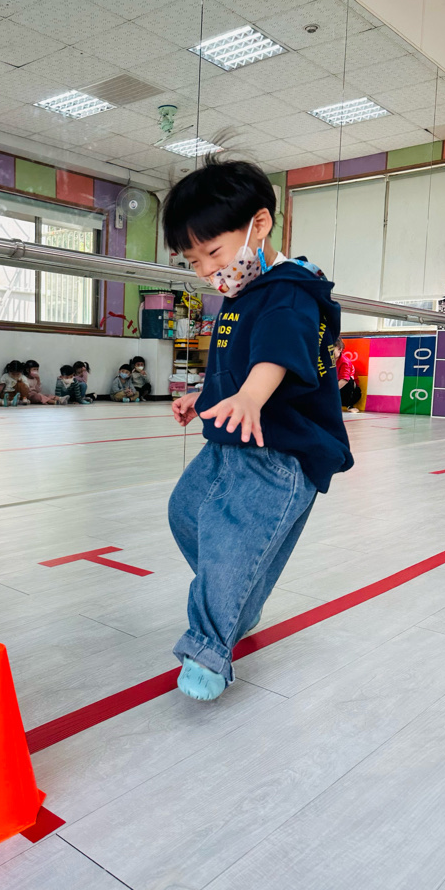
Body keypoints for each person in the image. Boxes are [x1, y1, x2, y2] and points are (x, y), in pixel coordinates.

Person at [163, 155, 353, 702]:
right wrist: (206, 398)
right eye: (193, 261)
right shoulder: (242, 295)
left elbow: (275, 355)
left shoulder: (289, 291)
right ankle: (237, 599)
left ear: (260, 224)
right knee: (186, 512)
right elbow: (237, 366)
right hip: (232, 441)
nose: (207, 270)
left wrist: (250, 397)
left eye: (214, 253)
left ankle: (207, 650)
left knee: (229, 547)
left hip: (279, 453)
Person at [334, 338, 360, 411]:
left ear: (340, 349)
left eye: (332, 351)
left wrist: (330, 391)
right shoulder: (327, 361)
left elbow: (344, 380)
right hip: (337, 391)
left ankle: (349, 405)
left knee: (348, 380)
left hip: (352, 393)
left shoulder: (344, 362)